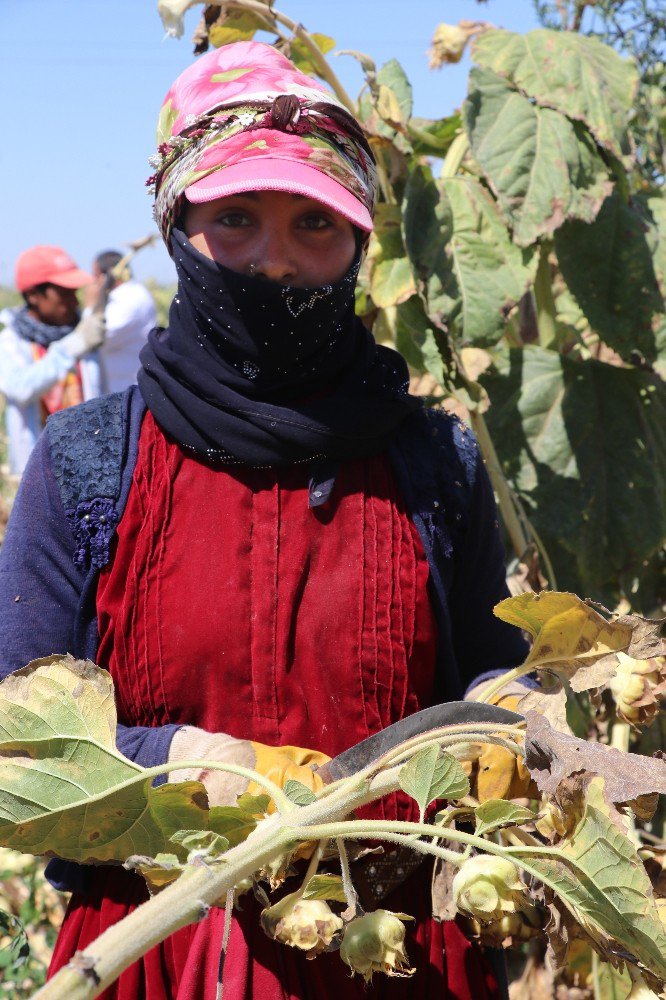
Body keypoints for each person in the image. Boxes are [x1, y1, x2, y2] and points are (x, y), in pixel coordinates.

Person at [0, 41, 529, 999]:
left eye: (315, 225)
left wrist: (519, 718)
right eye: (235, 218)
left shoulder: (431, 459)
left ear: (358, 243)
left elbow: (485, 673)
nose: (275, 260)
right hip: (155, 948)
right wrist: (180, 763)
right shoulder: (86, 462)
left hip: (395, 951)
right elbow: (14, 739)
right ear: (177, 225)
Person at [0, 246, 105, 475]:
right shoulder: (10, 341)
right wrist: (74, 345)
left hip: (88, 467)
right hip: (37, 473)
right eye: (64, 293)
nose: (73, 301)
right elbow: (21, 388)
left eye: (74, 292)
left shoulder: (81, 332)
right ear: (33, 296)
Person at [86, 250, 157, 394]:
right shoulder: (124, 297)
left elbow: (92, 338)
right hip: (121, 392)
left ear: (108, 275)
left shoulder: (129, 300)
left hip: (128, 394)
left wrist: (90, 306)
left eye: (96, 276)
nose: (93, 282)